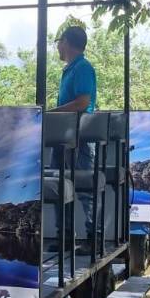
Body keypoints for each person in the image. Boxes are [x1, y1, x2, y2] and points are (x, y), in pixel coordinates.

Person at [51, 25, 98, 250]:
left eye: (59, 42)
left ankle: (92, 237)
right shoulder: (69, 69)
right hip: (62, 136)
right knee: (59, 186)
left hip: (79, 137)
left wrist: (51, 114)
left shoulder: (82, 68)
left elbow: (82, 103)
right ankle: (65, 237)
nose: (58, 47)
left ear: (66, 42)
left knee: (84, 187)